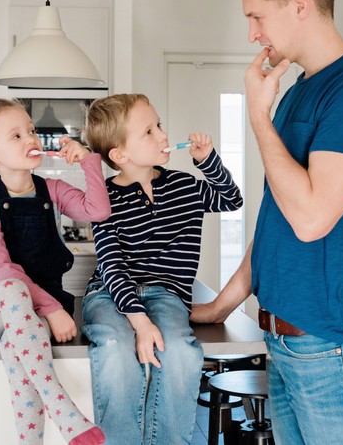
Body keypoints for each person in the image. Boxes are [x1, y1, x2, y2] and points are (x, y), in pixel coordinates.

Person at [190, 0, 343, 444]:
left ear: (301, 4)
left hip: (331, 345)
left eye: (257, 16)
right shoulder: (298, 91)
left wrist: (258, 117)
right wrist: (220, 307)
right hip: (284, 340)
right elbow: (277, 221)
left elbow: (310, 219)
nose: (252, 34)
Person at [80, 93, 243, 444]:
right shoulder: (102, 199)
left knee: (181, 353)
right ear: (119, 155)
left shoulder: (184, 186)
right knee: (113, 347)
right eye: (149, 132)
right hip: (110, 292)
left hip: (167, 294)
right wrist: (139, 322)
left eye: (160, 126)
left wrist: (207, 161)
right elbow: (111, 264)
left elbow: (232, 198)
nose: (163, 136)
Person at [0, 98, 109, 445]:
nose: (31, 139)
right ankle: (64, 411)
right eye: (16, 135)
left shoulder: (51, 190)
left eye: (31, 131)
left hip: (30, 313)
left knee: (20, 347)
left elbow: (97, 211)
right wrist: (53, 308)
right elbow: (2, 271)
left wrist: (88, 161)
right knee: (13, 289)